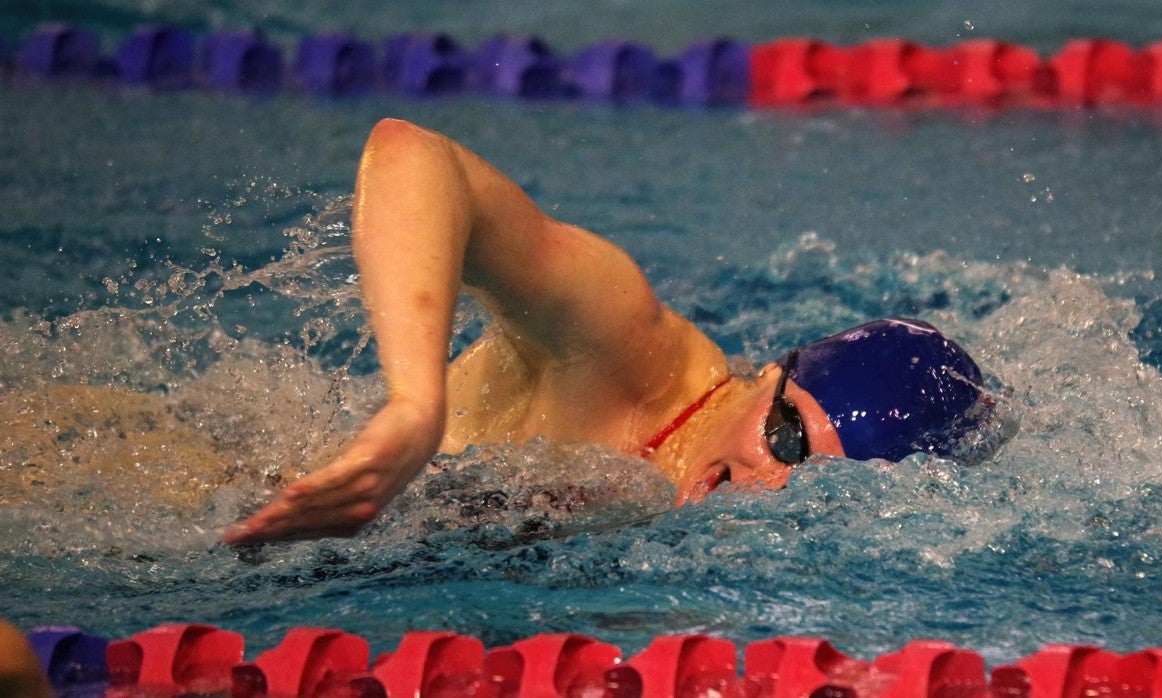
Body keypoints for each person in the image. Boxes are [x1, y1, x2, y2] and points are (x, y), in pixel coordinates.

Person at [222, 119, 987, 546]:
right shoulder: (628, 347)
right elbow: (412, 154)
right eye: (786, 436)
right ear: (767, 377)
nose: (773, 481)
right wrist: (413, 406)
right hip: (186, 489)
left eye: (818, 479)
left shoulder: (680, 509)